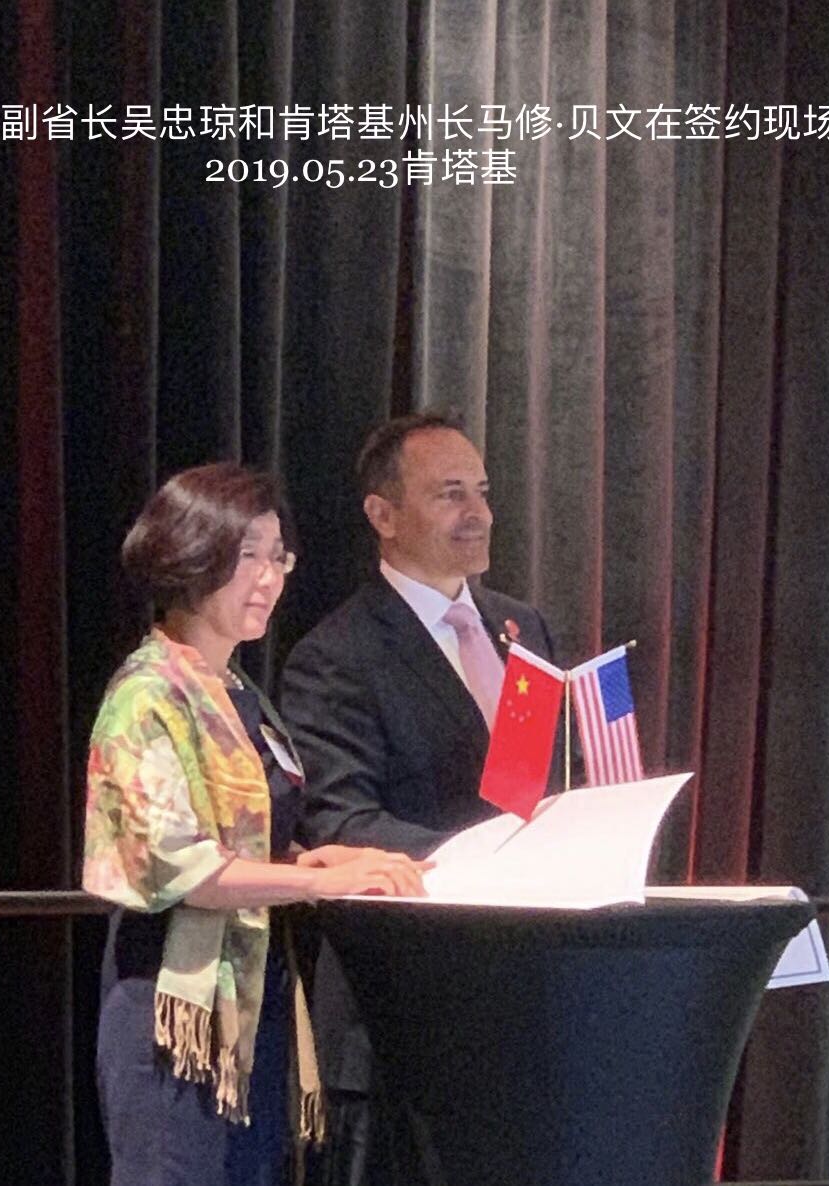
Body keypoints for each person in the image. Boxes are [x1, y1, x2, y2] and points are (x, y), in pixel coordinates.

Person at [82, 462, 430, 1186]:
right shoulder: (147, 694)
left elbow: (255, 835)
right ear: (192, 556)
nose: (269, 578)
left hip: (253, 998)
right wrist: (315, 885)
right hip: (173, 1008)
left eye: (279, 557)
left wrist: (319, 861)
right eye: (249, 556)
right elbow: (181, 866)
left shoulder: (238, 691)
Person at [279, 412, 561, 1186]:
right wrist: (497, 863)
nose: (479, 514)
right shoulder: (335, 655)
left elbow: (545, 784)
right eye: (449, 494)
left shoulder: (523, 627)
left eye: (483, 491)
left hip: (522, 1001)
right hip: (401, 1013)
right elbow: (344, 821)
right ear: (383, 514)